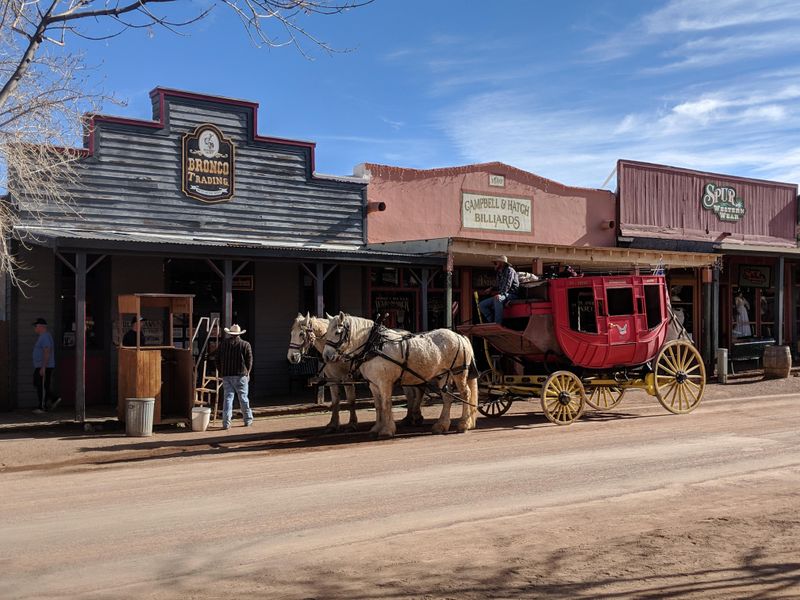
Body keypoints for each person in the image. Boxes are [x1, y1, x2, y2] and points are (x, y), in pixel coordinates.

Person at [215, 323, 254, 430]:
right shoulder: (245, 344)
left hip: (227, 375)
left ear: (230, 333)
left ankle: (226, 423)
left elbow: (216, 359)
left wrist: (221, 371)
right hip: (241, 375)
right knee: (243, 398)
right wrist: (248, 372)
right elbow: (249, 361)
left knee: (228, 398)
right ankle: (248, 420)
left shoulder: (223, 344)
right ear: (239, 333)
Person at [478, 255, 519, 325]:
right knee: (481, 305)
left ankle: (497, 323)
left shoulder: (510, 270)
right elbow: (497, 284)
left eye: (496, 263)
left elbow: (507, 285)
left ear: (501, 263)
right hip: (503, 294)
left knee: (497, 298)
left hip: (511, 295)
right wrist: (490, 289)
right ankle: (491, 321)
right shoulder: (499, 272)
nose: (495, 264)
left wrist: (500, 294)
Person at [32, 318, 61, 414]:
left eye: (35, 326)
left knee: (42, 386)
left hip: (44, 366)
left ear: (41, 326)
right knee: (39, 384)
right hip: (41, 366)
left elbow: (47, 351)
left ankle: (42, 407)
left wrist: (43, 367)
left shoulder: (44, 336)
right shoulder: (43, 336)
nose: (34, 328)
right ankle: (53, 399)